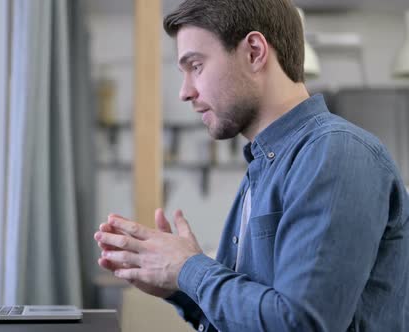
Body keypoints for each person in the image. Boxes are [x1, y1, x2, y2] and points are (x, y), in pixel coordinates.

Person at [93, 0, 409, 331]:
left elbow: (300, 325)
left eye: (196, 66)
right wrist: (179, 286)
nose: (185, 92)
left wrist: (189, 268)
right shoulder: (265, 165)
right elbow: (253, 319)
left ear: (254, 52)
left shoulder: (337, 153)